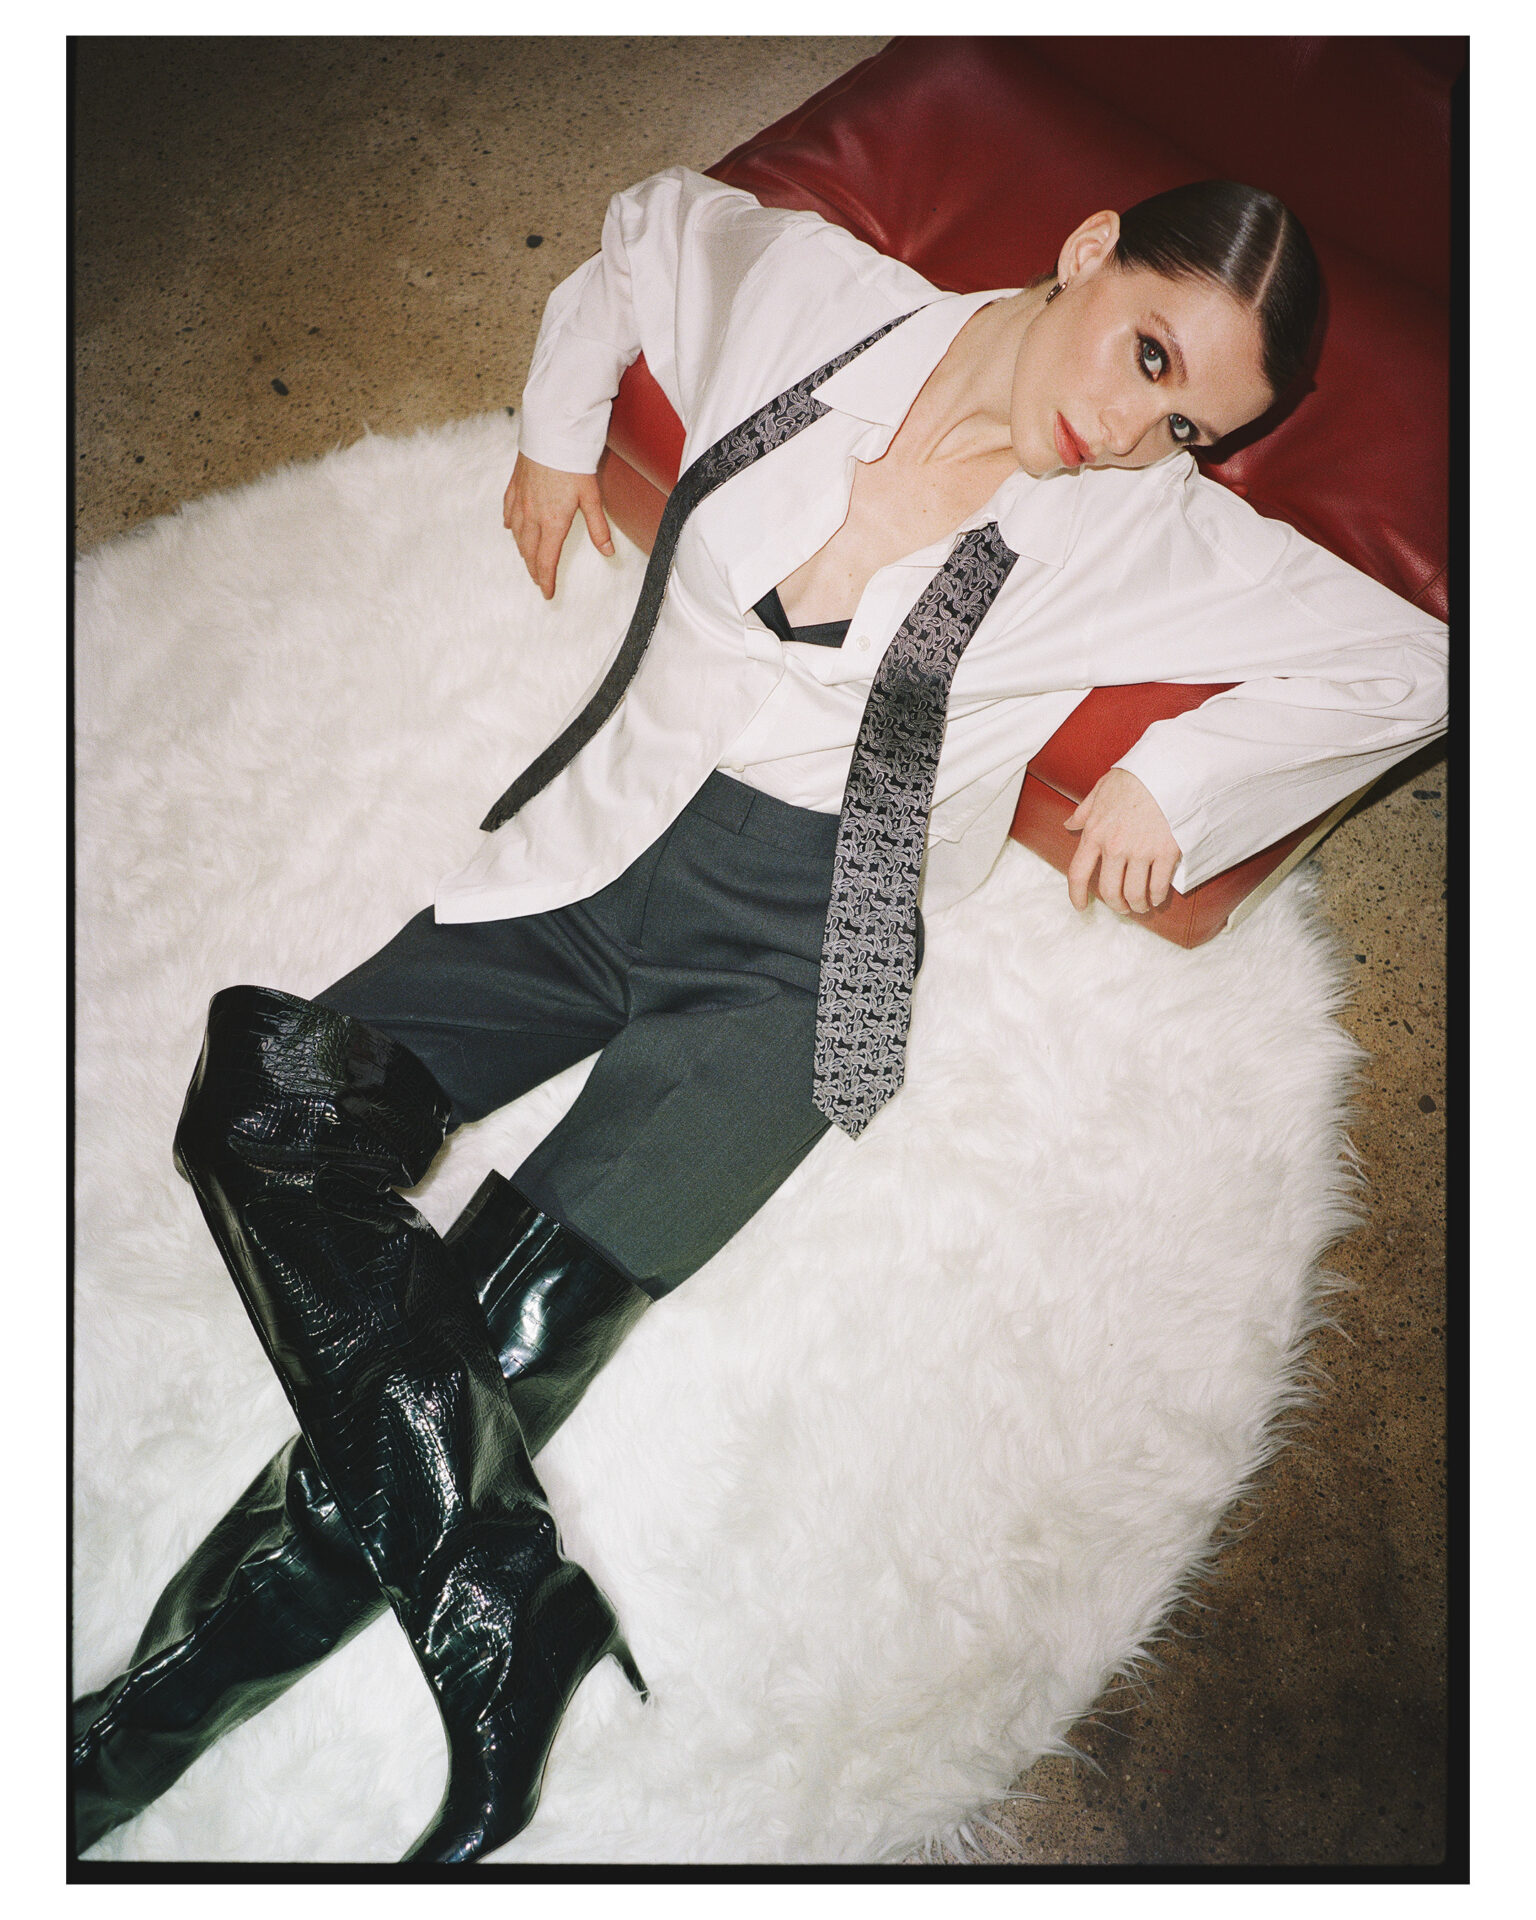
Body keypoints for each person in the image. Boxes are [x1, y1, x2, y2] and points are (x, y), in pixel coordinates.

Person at [72, 166, 1448, 1863]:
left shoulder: (1155, 535)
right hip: (600, 850)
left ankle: (113, 1753)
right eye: (1148, 353)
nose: (1127, 428)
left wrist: (1185, 776)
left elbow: (1415, 661)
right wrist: (558, 427)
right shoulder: (814, 304)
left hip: (803, 960)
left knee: (505, 1343)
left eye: (1186, 425)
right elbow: (640, 229)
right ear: (1090, 250)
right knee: (262, 1112)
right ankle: (513, 1597)